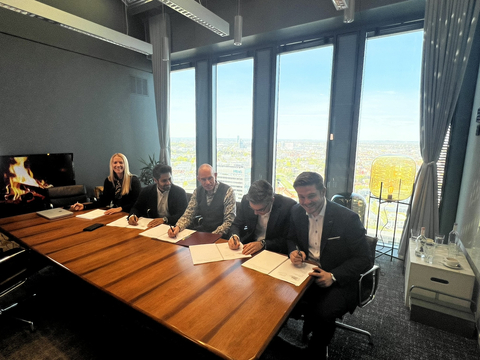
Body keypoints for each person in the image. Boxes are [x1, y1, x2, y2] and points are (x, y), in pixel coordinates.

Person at [286, 172, 372, 359]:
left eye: (311, 196)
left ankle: (316, 350)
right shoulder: (296, 212)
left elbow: (364, 258)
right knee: (278, 296)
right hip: (306, 271)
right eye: (301, 196)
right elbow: (291, 238)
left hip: (339, 277)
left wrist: (333, 276)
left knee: (323, 312)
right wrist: (294, 251)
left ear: (323, 191)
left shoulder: (347, 219)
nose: (306, 202)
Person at [227, 179, 296, 255]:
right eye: (252, 208)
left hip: (274, 252)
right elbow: (236, 224)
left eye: (260, 210)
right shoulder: (246, 200)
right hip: (249, 247)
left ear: (272, 200)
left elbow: (287, 240)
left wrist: (263, 244)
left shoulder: (287, 207)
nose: (255, 213)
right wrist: (234, 236)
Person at [168, 164, 235, 238]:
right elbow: (188, 215)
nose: (207, 183)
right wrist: (178, 227)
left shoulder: (228, 191)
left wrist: (212, 235)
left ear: (215, 175)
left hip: (222, 235)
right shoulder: (198, 191)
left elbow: (229, 221)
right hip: (204, 231)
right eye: (203, 179)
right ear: (198, 179)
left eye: (210, 178)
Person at [70, 153, 141, 214]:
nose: (118, 165)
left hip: (129, 213)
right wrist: (85, 206)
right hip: (115, 213)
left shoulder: (133, 180)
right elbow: (104, 201)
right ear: (111, 165)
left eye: (121, 162)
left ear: (125, 164)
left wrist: (120, 208)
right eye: (115, 162)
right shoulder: (109, 181)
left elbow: (137, 203)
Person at [128, 164, 188, 228]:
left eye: (169, 179)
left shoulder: (179, 192)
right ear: (155, 180)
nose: (168, 183)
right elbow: (136, 208)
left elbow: (183, 214)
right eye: (164, 180)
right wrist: (132, 216)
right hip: (152, 226)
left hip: (173, 226)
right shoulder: (147, 191)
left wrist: (165, 220)